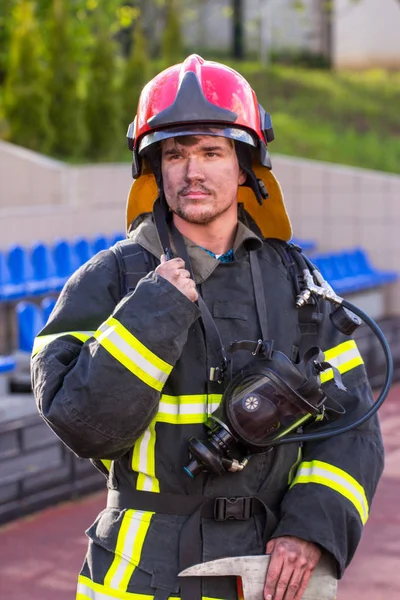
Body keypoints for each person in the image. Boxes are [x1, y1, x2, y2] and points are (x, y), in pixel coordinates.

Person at [32, 54, 384, 600]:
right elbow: (83, 425)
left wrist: (311, 530)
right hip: (142, 575)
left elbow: (352, 423)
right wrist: (157, 308)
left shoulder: (295, 279)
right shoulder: (110, 279)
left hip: (268, 569)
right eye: (175, 154)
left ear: (244, 167)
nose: (192, 172)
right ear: (154, 169)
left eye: (211, 152)